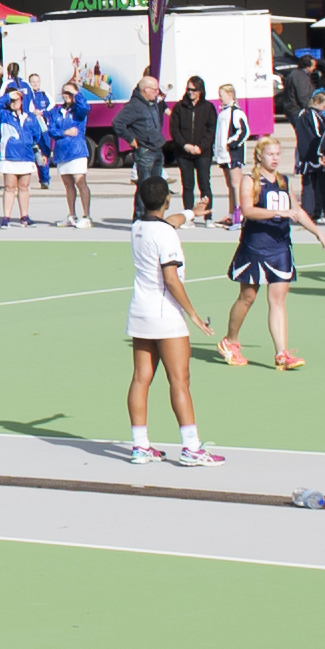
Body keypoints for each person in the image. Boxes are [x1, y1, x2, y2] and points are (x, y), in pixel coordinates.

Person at [120, 169, 205, 467]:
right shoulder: (165, 233)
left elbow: (170, 223)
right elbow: (171, 279)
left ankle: (140, 446)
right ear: (167, 199)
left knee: (141, 378)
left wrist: (191, 214)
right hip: (165, 314)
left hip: (140, 313)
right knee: (180, 379)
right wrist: (193, 315)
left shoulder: (139, 227)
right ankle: (191, 447)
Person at [218, 130, 305, 371]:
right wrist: (279, 213)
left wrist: (318, 233)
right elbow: (247, 210)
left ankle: (281, 354)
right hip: (255, 246)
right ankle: (230, 340)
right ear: (260, 156)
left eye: (278, 154)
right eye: (270, 154)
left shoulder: (284, 181)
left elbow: (297, 211)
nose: (275, 158)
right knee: (248, 297)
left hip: (280, 248)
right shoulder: (250, 180)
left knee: (278, 300)